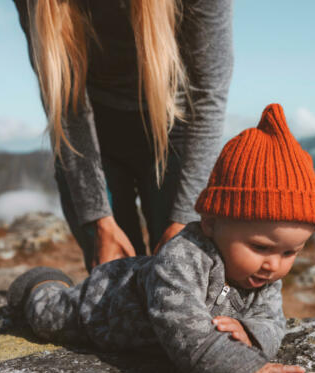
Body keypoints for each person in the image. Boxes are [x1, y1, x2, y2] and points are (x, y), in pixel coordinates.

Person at [7, 104, 315, 373]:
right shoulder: (184, 257)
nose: (274, 265)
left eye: (291, 253)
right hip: (101, 305)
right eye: (260, 247)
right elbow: (185, 331)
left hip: (139, 328)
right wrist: (248, 367)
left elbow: (273, 322)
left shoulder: (265, 277)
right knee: (47, 316)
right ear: (210, 223)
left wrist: (250, 331)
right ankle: (40, 283)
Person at [13, 0, 233, 271]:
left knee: (184, 273)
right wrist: (99, 219)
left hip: (175, 123)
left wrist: (185, 217)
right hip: (91, 136)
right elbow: (65, 102)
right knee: (115, 279)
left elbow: (208, 93)